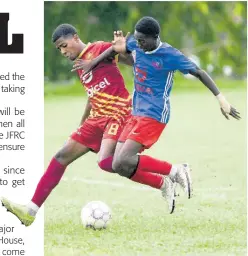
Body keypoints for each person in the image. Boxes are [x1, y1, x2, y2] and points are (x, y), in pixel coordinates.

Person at [1, 23, 183, 227]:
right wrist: (81, 124)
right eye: (59, 49)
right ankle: (30, 211)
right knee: (62, 156)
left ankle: (166, 177)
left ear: (75, 38)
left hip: (118, 113)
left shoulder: (99, 48)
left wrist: (130, 49)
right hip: (96, 118)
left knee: (107, 162)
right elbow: (92, 95)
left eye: (64, 45)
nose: (62, 51)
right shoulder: (80, 64)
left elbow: (134, 61)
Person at [72, 16, 241, 211]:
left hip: (153, 114)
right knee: (118, 165)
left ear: (155, 37)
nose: (139, 44)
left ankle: (176, 170)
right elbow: (116, 48)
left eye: (143, 40)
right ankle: (165, 183)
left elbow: (200, 73)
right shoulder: (136, 43)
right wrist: (92, 63)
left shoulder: (170, 55)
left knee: (125, 159)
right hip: (135, 112)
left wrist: (222, 100)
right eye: (137, 40)